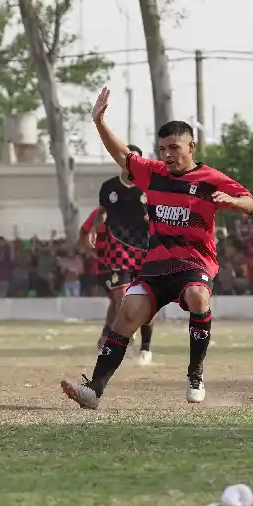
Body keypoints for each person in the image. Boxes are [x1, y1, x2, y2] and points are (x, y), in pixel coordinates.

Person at [62, 88, 253, 409]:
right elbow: (123, 155)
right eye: (162, 148)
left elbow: (250, 204)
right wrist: (99, 122)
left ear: (191, 146)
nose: (167, 154)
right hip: (156, 266)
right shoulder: (153, 174)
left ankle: (195, 373)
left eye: (174, 148)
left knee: (198, 297)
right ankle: (94, 391)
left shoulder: (211, 178)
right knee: (127, 314)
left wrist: (232, 200)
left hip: (195, 263)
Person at [94, 147, 155, 363]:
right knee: (121, 297)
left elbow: (157, 217)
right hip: (117, 248)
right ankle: (127, 339)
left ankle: (146, 348)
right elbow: (101, 212)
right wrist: (94, 230)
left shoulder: (149, 186)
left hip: (145, 249)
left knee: (148, 300)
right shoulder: (109, 187)